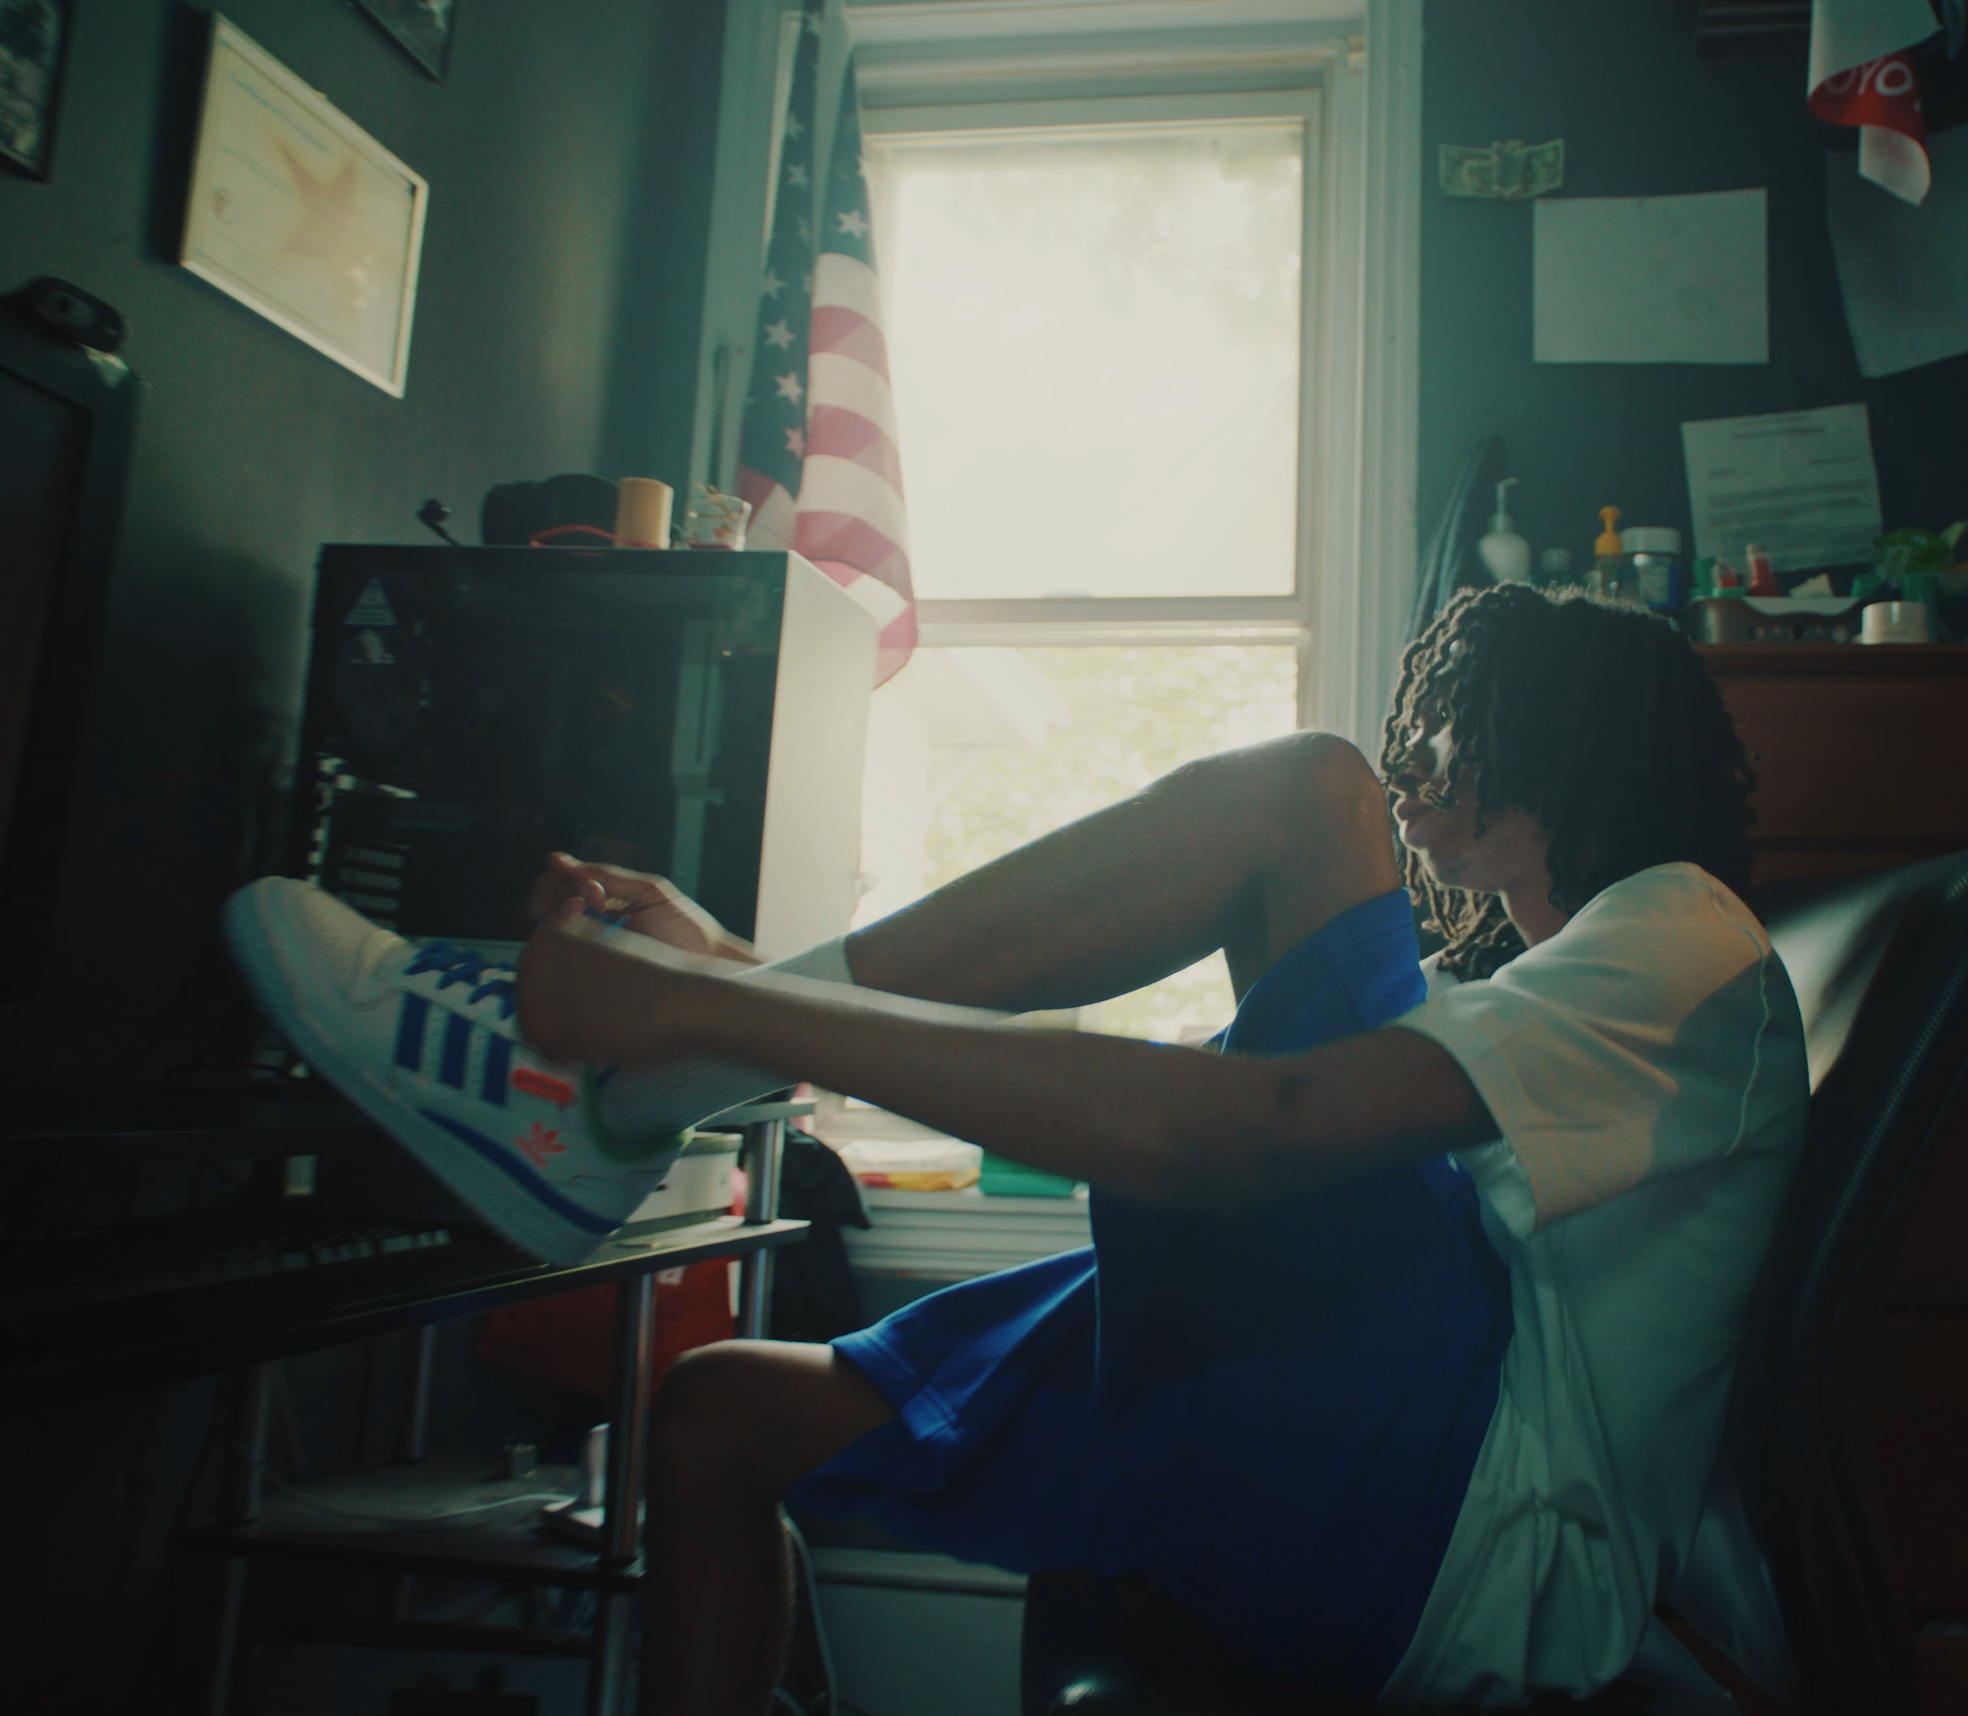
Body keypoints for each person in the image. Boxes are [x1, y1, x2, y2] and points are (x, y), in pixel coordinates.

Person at [222, 583, 1809, 1713]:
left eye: (1452, 734)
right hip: (1366, 1456)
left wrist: (713, 1015)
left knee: (1302, 799)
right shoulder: (1541, 991)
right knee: (710, 1423)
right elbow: (1273, 1137)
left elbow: (1257, 1140)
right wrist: (729, 986)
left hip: (1456, 1530)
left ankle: (637, 1078)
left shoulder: (1685, 938)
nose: (1417, 777)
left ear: (1551, 740)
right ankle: (653, 1066)